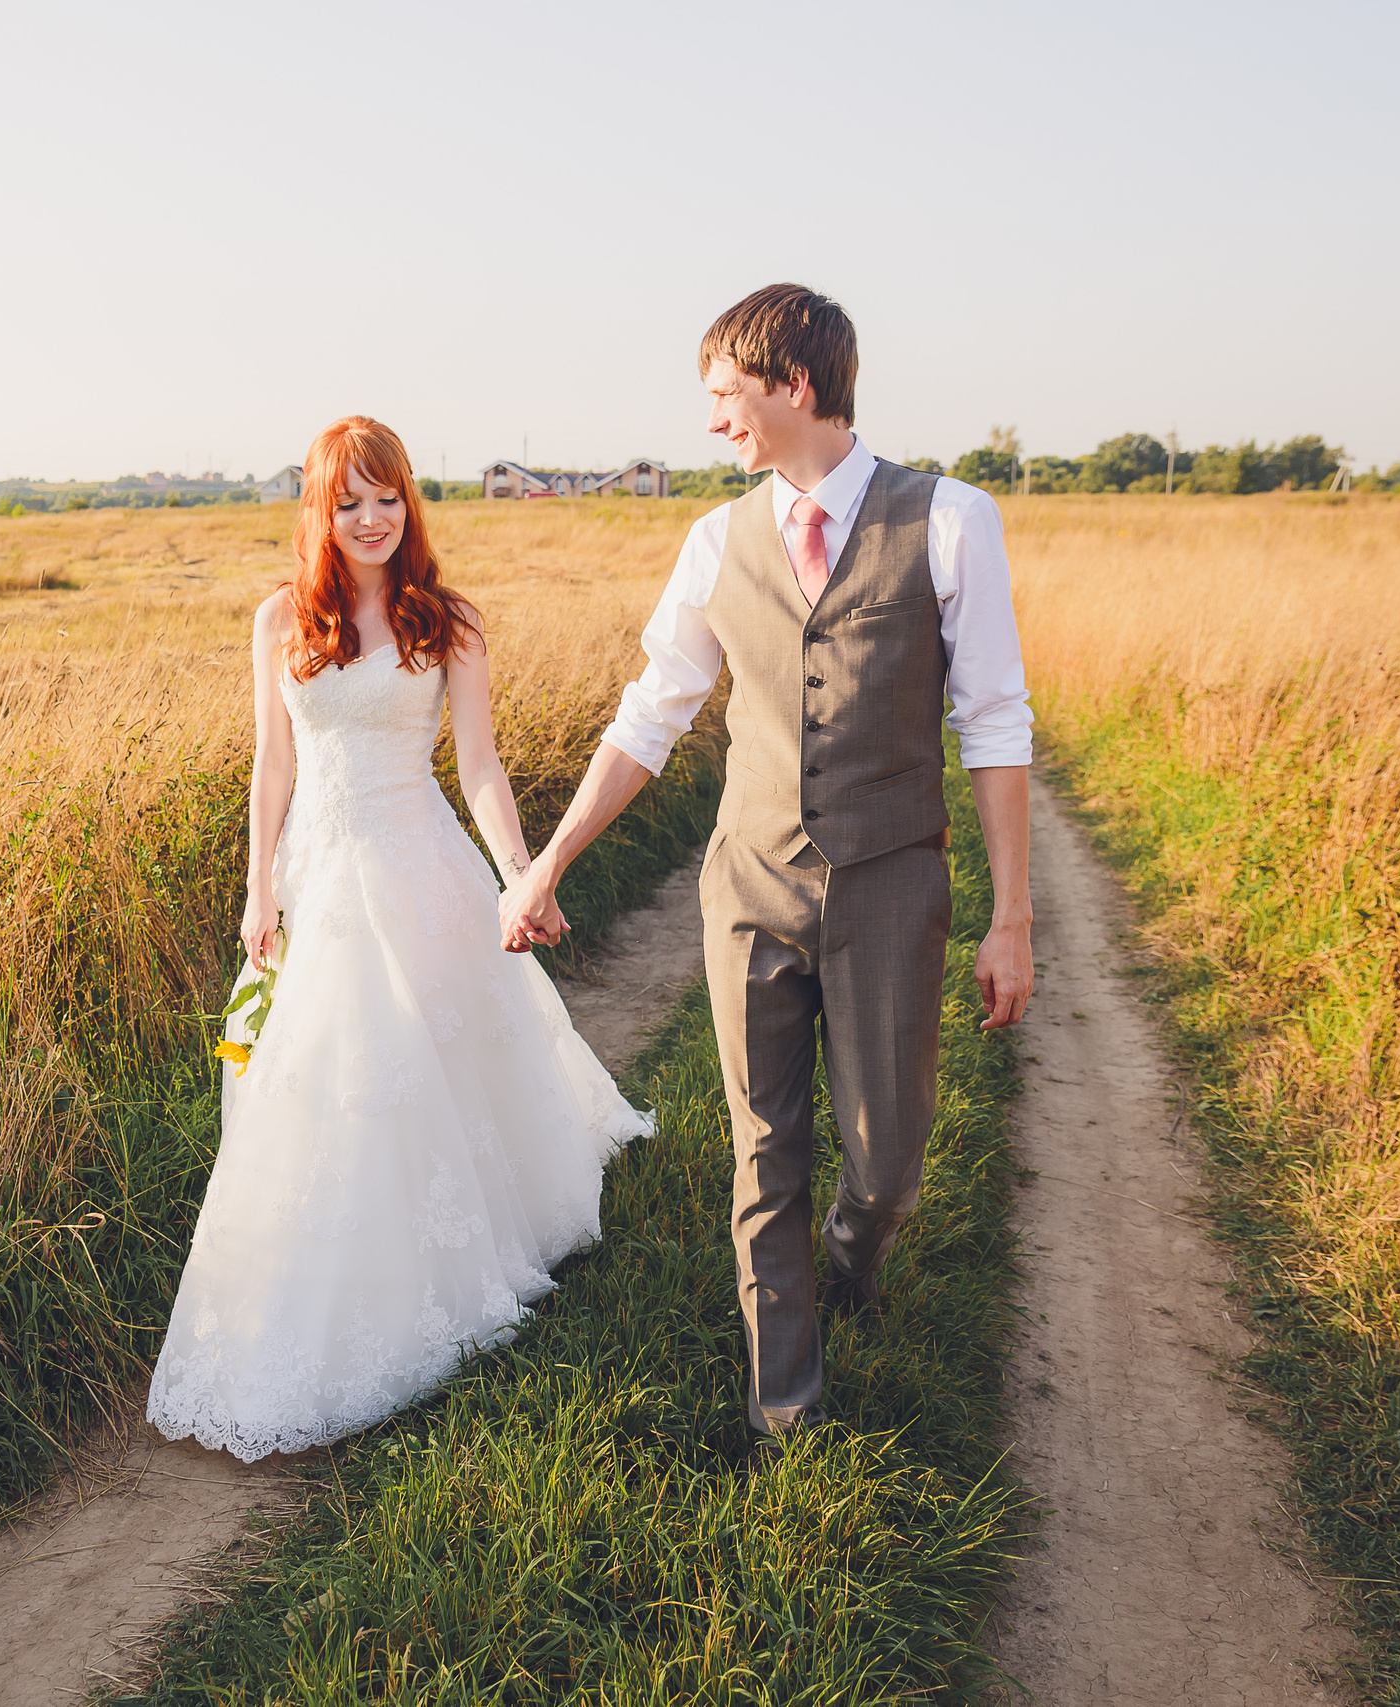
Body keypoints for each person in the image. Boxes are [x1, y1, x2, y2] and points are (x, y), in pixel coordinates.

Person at [499, 284, 1036, 1434]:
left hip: (892, 883)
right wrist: (547, 864)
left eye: (724, 396)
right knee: (764, 1144)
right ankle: (782, 1405)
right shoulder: (711, 542)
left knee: (886, 1164)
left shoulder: (949, 520)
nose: (711, 424)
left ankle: (851, 1261)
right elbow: (650, 715)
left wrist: (1012, 918)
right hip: (748, 882)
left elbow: (993, 723)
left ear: (794, 386)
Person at [146, 416, 652, 1462]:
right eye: (348, 502)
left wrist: (522, 873)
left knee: (431, 1058)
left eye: (387, 499)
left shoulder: (448, 620)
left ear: (408, 505)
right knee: (327, 1074)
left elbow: (478, 766)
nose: (370, 519)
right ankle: (314, 1272)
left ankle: (462, 1247)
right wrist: (255, 895)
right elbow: (270, 771)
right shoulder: (279, 619)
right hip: (317, 874)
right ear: (319, 512)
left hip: (419, 863)